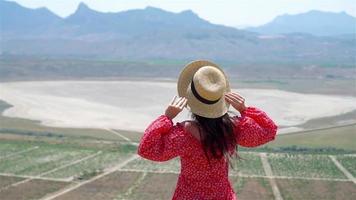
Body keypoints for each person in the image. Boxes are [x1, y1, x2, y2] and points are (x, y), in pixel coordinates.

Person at [137, 60, 278, 200]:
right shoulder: (232, 129)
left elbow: (147, 149)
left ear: (190, 99)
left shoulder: (182, 135)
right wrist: (245, 110)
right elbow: (268, 131)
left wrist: (167, 117)